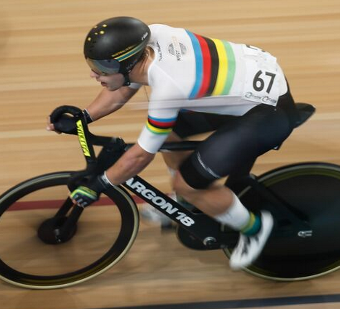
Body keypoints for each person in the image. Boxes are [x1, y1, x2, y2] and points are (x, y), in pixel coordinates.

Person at [47, 16, 299, 270]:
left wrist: (101, 183)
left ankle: (254, 228)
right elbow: (125, 85)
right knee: (167, 133)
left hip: (267, 115)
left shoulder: (169, 88)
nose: (94, 73)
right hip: (249, 83)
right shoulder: (149, 38)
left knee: (187, 183)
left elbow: (141, 156)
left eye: (102, 68)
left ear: (127, 64)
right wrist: (85, 116)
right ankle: (185, 202)